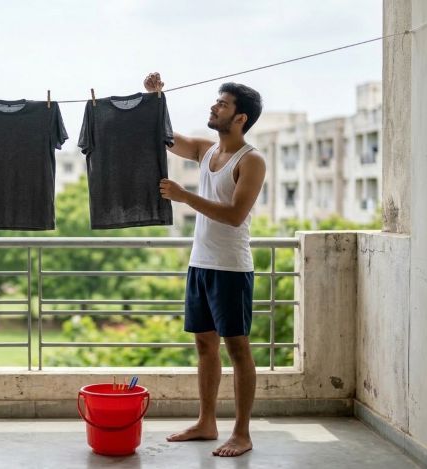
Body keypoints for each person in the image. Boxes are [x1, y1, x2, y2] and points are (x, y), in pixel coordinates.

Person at [145, 73, 266, 457]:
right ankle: (206, 422)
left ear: (241, 117)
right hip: (200, 264)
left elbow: (234, 215)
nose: (214, 107)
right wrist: (157, 97)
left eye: (223, 104)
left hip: (231, 269)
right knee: (203, 345)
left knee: (238, 349)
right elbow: (167, 137)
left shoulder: (252, 160)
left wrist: (184, 196)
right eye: (216, 102)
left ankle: (242, 433)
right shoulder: (205, 150)